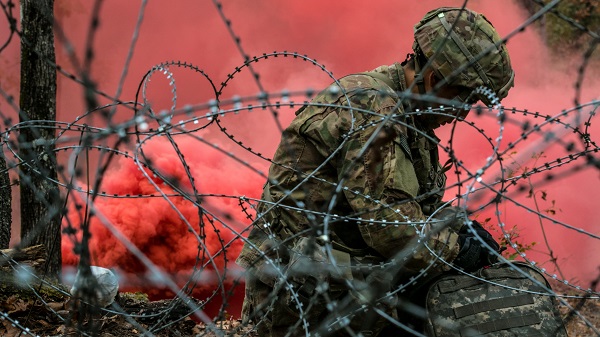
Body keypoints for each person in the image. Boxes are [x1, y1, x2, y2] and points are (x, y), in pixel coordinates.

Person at [236, 7, 514, 337]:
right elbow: (392, 228)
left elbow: (411, 205)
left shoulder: (408, 116)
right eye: (464, 100)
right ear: (434, 80)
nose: (464, 114)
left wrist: (459, 226)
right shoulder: (374, 110)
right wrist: (459, 250)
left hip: (341, 287)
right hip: (304, 301)